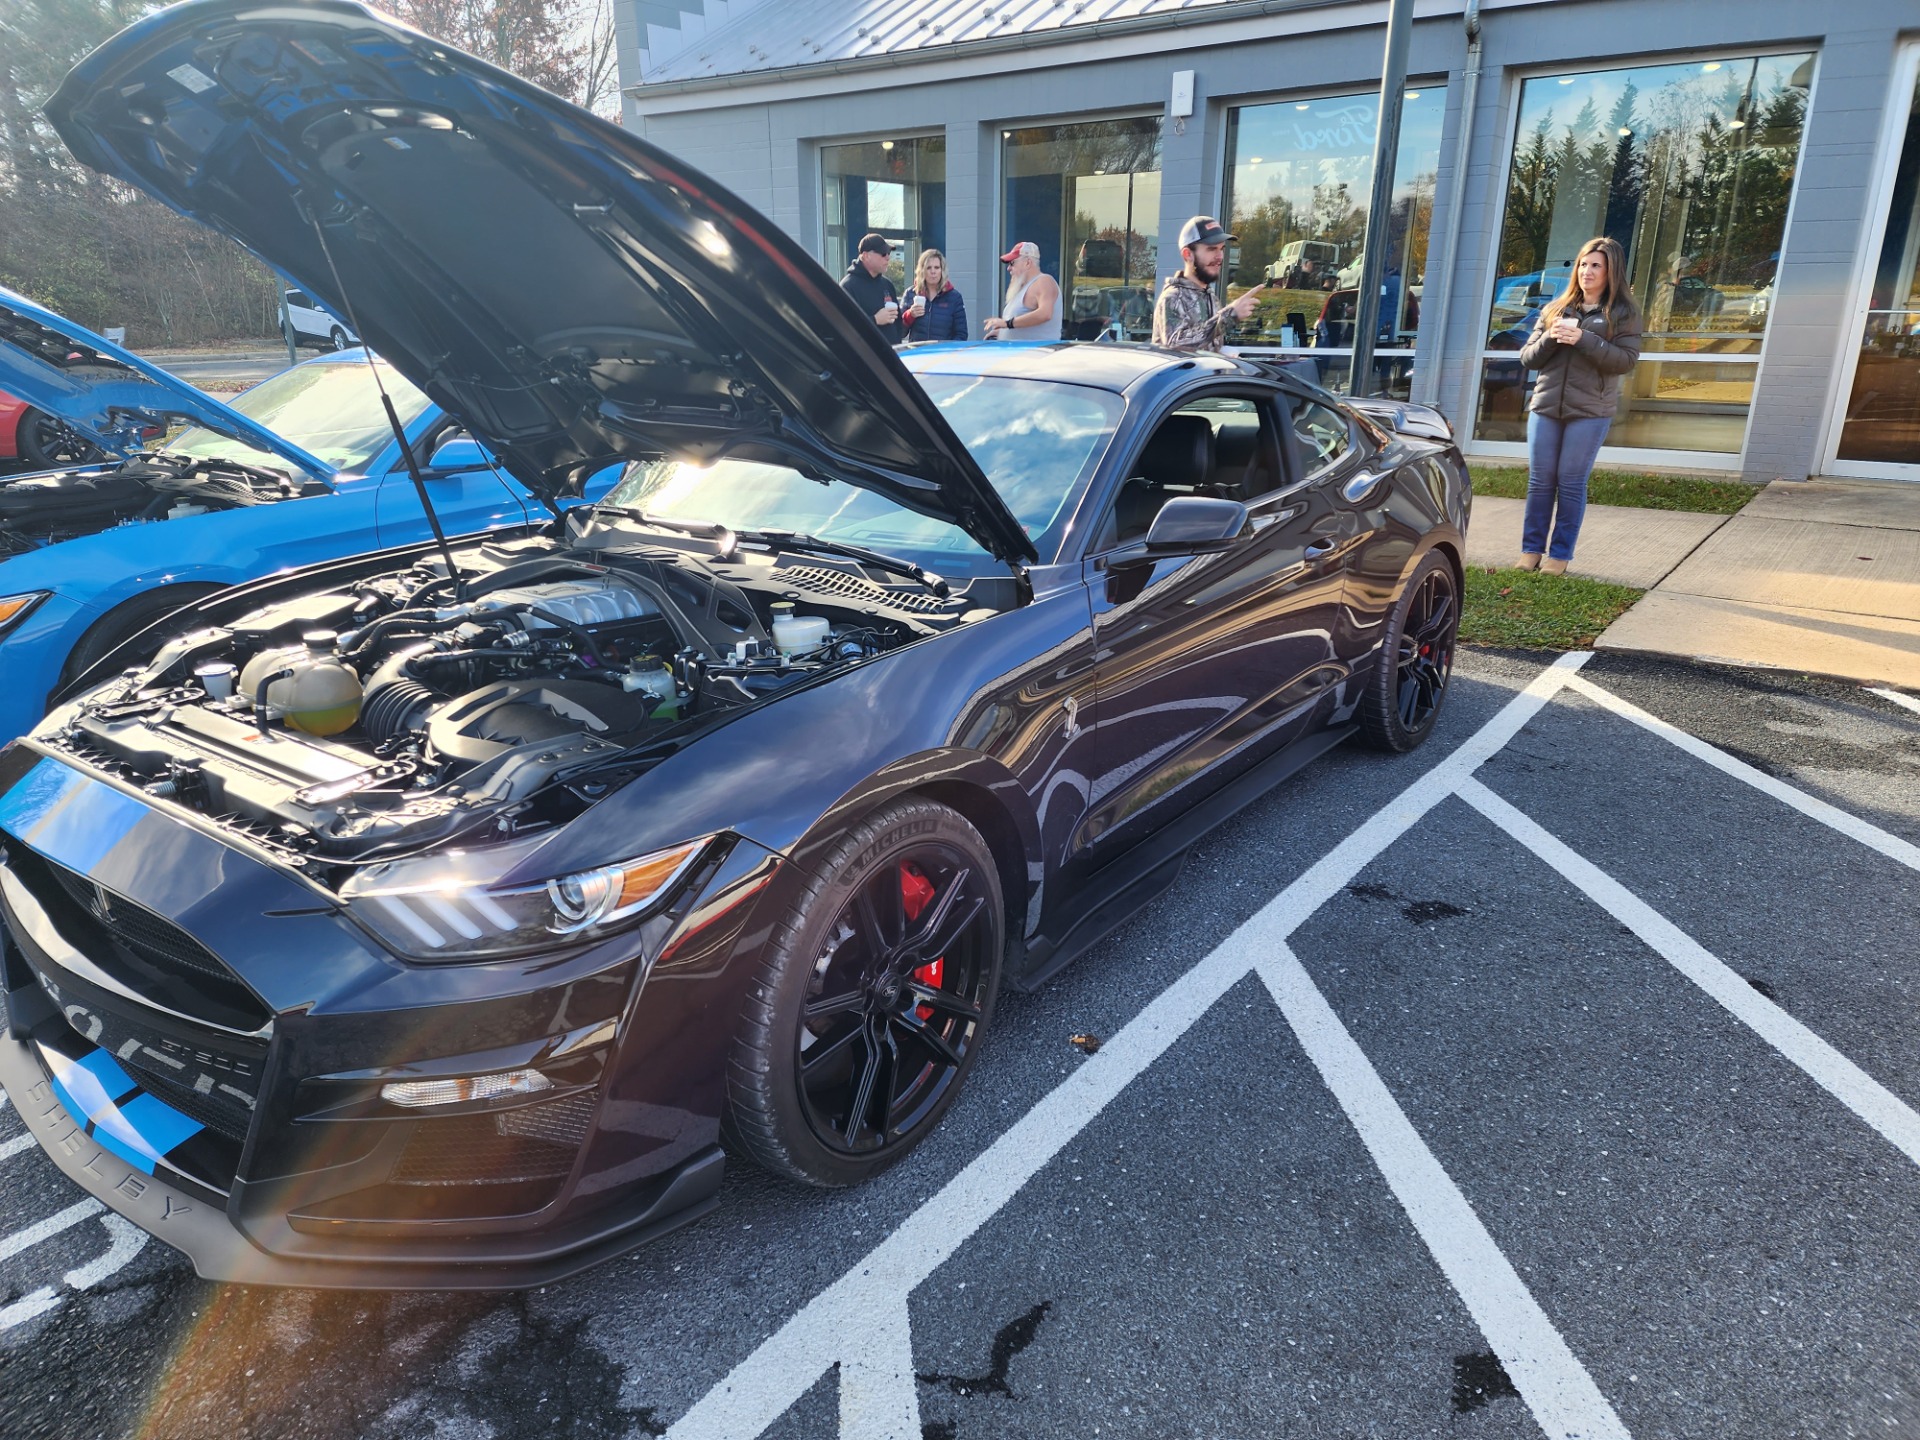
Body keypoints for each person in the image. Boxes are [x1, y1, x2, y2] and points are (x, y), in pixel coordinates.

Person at [1516, 235, 1643, 574]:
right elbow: (1528, 358)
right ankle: (1531, 551)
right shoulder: (1555, 309)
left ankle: (1559, 556)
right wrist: (1550, 337)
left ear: (1611, 271)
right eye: (1583, 264)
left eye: (1596, 265)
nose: (1587, 271)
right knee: (1540, 481)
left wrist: (1586, 340)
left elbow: (1625, 361)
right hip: (1545, 407)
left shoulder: (1623, 314)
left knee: (1571, 482)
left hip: (1589, 412)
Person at [1152, 215, 1261, 352]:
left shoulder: (1212, 298)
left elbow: (1206, 345)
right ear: (1187, 254)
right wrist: (1229, 316)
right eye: (1211, 249)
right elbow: (1175, 346)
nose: (1220, 256)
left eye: (1222, 249)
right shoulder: (1173, 297)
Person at [983, 241, 1061, 341]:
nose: (1008, 268)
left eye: (1012, 263)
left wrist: (1007, 324)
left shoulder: (1044, 281)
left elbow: (1045, 314)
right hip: (1018, 349)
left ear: (1027, 263)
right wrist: (1002, 332)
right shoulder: (1022, 288)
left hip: (1037, 350)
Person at [840, 232, 902, 345]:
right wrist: (875, 320)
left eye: (888, 253)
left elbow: (898, 324)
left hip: (892, 352)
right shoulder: (848, 286)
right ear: (866, 256)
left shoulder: (887, 284)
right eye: (883, 253)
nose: (888, 257)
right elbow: (845, 327)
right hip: (865, 354)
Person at [900, 247, 968, 343]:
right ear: (922, 271)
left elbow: (961, 334)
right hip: (918, 351)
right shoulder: (910, 293)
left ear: (942, 270)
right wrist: (910, 315)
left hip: (943, 351)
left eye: (937, 267)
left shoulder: (954, 297)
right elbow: (899, 332)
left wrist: (948, 349)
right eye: (928, 268)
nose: (933, 272)